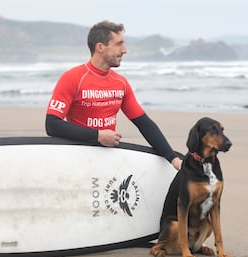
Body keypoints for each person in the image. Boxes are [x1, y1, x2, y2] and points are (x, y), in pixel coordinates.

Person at [45, 20, 182, 170]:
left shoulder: (120, 83)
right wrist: (97, 136)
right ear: (100, 47)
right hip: (78, 158)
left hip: (109, 159)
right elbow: (52, 125)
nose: (124, 50)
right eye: (118, 44)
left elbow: (144, 123)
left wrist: (173, 158)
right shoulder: (72, 78)